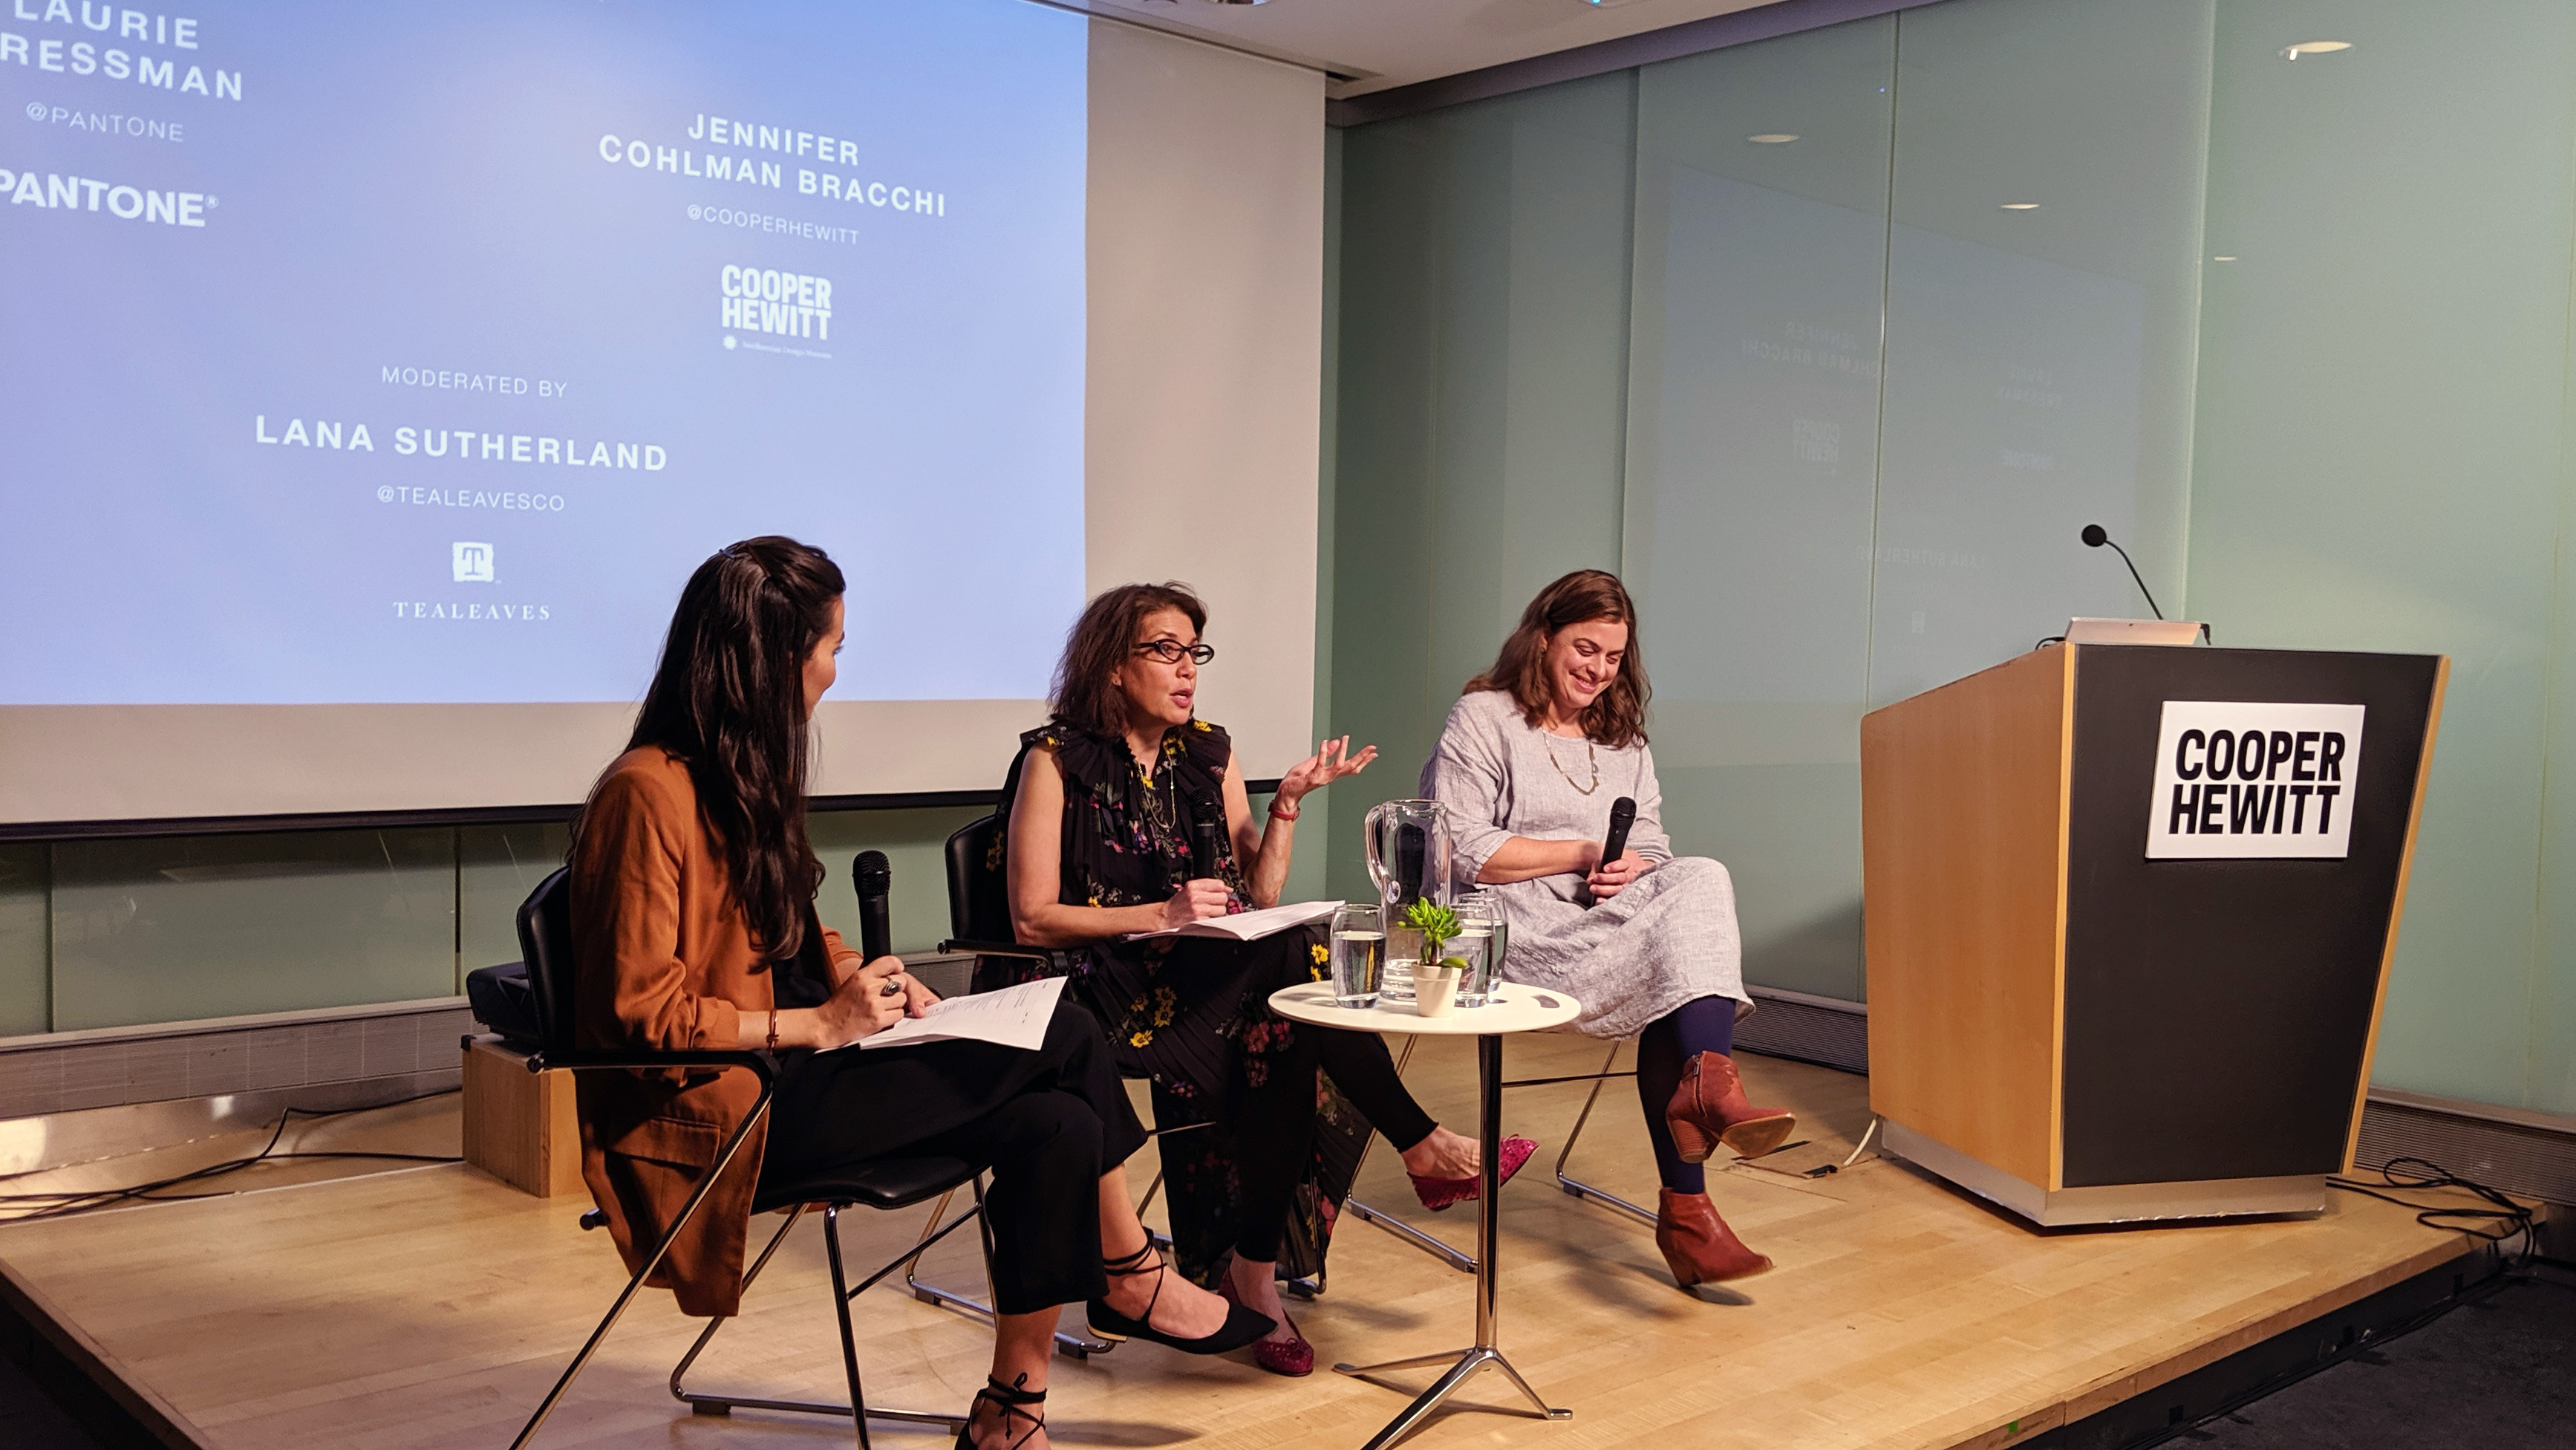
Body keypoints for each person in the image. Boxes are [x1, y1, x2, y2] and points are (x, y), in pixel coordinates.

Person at [568, 539, 1268, 1450]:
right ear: (774, 659)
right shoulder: (643, 794)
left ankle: (1012, 1411)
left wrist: (860, 980)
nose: (832, 672)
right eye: (831, 650)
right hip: (728, 1113)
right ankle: (1129, 1269)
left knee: (1056, 1123)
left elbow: (789, 929)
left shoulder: (740, 779)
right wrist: (819, 1020)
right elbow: (637, 1012)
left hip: (801, 1069)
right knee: (1063, 1028)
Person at [993, 581, 1533, 1377]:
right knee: (1291, 989)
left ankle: (1257, 1269)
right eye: (1165, 650)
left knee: (1286, 1008)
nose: (1186, 671)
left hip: (1199, 972)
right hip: (1097, 990)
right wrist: (1159, 913)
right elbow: (1031, 920)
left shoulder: (1207, 750)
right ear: (1112, 664)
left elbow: (1261, 893)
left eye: (1194, 653)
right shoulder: (1053, 761)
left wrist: (1283, 805)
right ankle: (1416, 1149)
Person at [1420, 568, 1793, 1288]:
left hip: (1599, 918)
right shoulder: (1484, 717)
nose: (1597, 669)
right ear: (1543, 638)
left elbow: (1653, 842)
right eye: (1584, 648)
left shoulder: (1624, 740)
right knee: (1671, 973)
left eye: (1613, 657)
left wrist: (1633, 865)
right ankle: (1689, 1199)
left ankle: (1705, 1092)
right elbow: (1462, 849)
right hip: (1503, 929)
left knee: (1702, 876)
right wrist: (1585, 851)